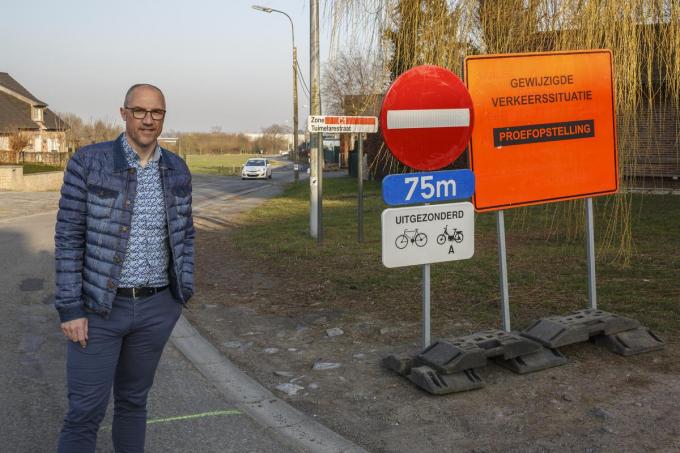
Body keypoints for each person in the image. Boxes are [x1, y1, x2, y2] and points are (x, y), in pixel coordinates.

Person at [55, 83, 194, 453]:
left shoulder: (176, 168)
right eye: (140, 111)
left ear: (163, 116)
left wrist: (181, 294)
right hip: (99, 310)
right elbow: (68, 238)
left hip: (156, 309)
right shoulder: (89, 162)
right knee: (85, 410)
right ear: (124, 113)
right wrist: (70, 308)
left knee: (134, 403)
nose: (148, 120)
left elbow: (186, 235)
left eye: (157, 113)